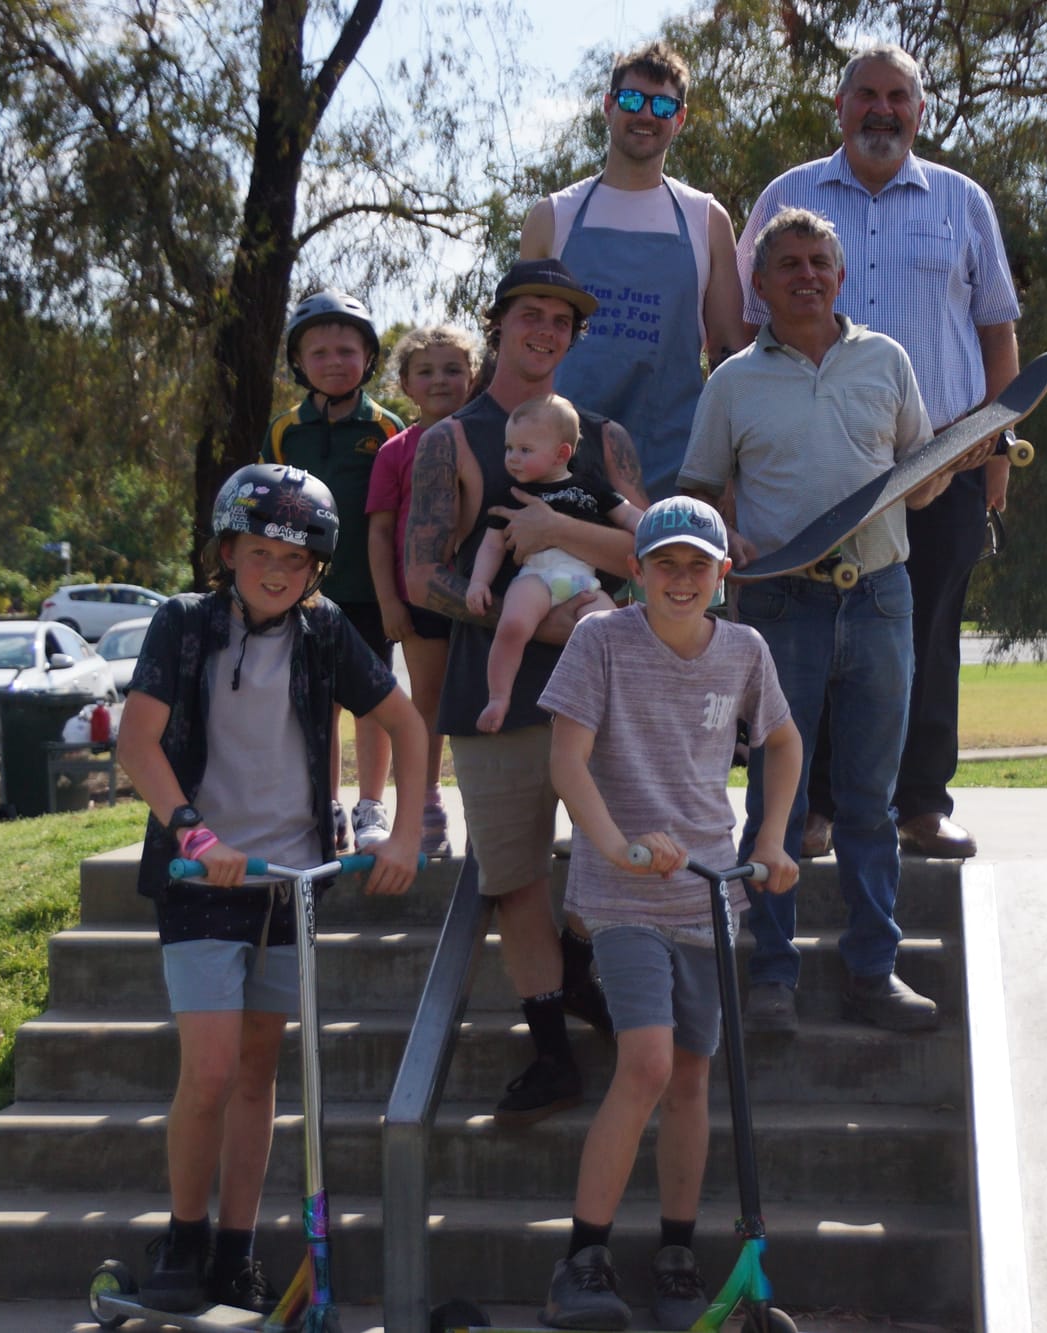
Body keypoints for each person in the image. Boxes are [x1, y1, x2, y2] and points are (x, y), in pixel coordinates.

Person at [115, 463, 426, 1313]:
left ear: (317, 568)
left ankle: (236, 1249)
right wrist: (194, 832)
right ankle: (184, 1236)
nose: (277, 571)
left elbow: (403, 722)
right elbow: (138, 743)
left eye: (295, 559)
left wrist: (400, 830)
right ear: (228, 551)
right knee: (211, 1069)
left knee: (258, 1072)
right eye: (260, 552)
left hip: (292, 883)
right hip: (200, 876)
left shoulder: (324, 630)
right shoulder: (184, 623)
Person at [683, 208, 966, 1037]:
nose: (806, 276)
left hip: (879, 596)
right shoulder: (732, 380)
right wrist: (722, 531)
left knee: (872, 801)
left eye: (819, 263)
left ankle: (873, 971)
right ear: (760, 285)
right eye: (789, 265)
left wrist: (939, 476)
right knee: (777, 798)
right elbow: (698, 488)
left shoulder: (887, 360)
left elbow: (919, 474)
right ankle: (771, 975)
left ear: (840, 278)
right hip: (779, 606)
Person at [737, 42, 1022, 862]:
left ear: (920, 112)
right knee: (816, 641)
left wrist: (997, 450)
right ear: (840, 105)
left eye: (899, 97)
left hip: (945, 463)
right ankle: (814, 807)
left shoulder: (962, 201)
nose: (883, 109)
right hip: (813, 468)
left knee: (926, 635)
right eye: (867, 94)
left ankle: (921, 805)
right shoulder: (787, 195)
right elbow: (746, 328)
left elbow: (997, 330)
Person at [535, 497, 800, 1331]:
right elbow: (567, 761)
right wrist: (614, 845)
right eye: (665, 564)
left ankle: (677, 1258)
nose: (681, 580)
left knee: (691, 1076)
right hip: (622, 893)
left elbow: (783, 740)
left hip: (707, 889)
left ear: (723, 574)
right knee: (647, 1063)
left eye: (697, 565)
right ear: (636, 571)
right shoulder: (600, 640)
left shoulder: (745, 650)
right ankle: (581, 1260)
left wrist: (772, 836)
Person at [404, 256, 650, 1124]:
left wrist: (556, 530)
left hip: (603, 694)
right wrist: (533, 619)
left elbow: (657, 553)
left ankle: (580, 968)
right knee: (514, 878)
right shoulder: (451, 440)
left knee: (621, 852)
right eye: (530, 313)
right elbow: (422, 573)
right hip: (496, 696)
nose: (546, 330)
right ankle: (551, 1054)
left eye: (562, 319)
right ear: (499, 324)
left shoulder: (602, 439)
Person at [520, 41, 748, 502]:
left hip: (675, 470)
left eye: (663, 105)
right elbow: (517, 347)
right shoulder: (553, 216)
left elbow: (729, 356)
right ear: (608, 106)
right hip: (562, 466)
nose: (646, 114)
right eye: (631, 100)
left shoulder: (706, 219)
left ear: (680, 119)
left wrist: (728, 477)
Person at [261, 290, 407, 849]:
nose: (334, 362)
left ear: (368, 358)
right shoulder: (284, 431)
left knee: (373, 701)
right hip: (306, 595)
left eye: (347, 351)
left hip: (370, 591)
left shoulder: (387, 428)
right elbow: (265, 514)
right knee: (318, 702)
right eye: (318, 352)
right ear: (299, 362)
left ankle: (371, 806)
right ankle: (324, 803)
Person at [367, 324, 483, 857]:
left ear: (472, 376)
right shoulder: (395, 451)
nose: (440, 380)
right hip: (419, 599)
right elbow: (380, 531)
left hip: (483, 595)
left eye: (453, 369)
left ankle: (487, 805)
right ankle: (425, 804)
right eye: (426, 371)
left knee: (484, 700)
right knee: (428, 704)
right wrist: (389, 601)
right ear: (406, 384)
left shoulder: (490, 438)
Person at [466, 394, 644, 733]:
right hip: (535, 577)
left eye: (525, 450)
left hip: (584, 582)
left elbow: (629, 516)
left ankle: (617, 703)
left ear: (561, 454)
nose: (512, 458)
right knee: (513, 624)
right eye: (509, 448)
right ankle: (498, 697)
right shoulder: (511, 494)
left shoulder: (590, 486)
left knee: (613, 632)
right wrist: (479, 582)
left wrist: (659, 526)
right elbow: (492, 544)